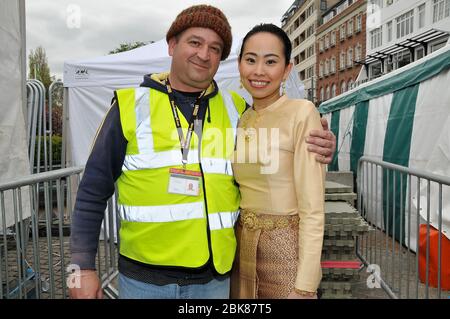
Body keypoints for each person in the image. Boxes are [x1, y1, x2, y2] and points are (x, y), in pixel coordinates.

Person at [68, 5, 335, 299]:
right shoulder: (130, 107)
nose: (204, 54)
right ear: (172, 45)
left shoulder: (238, 110)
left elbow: (279, 139)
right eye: (195, 42)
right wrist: (81, 267)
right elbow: (92, 191)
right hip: (145, 281)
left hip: (215, 282)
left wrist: (319, 141)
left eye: (215, 48)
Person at [230, 24, 325, 299]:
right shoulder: (241, 118)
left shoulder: (302, 112)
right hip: (242, 249)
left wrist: (305, 285)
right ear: (239, 65)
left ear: (286, 69)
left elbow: (313, 207)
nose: (259, 71)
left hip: (286, 252)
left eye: (270, 62)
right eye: (250, 60)